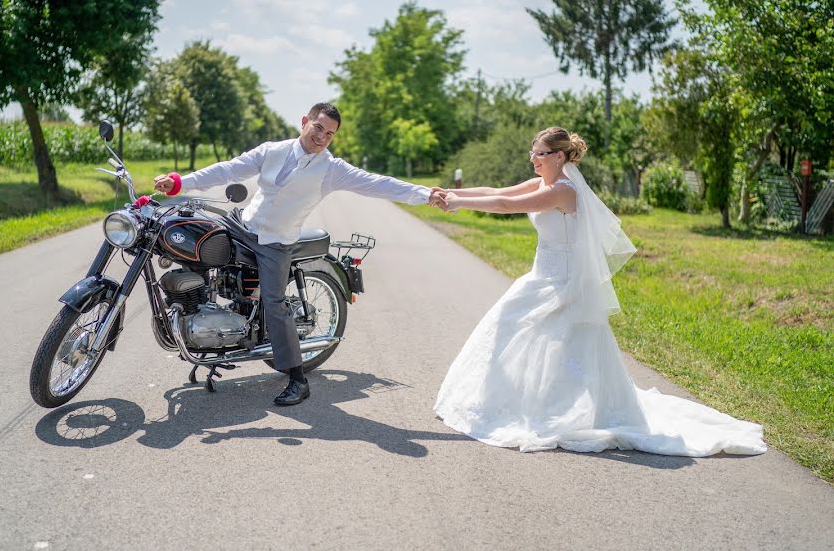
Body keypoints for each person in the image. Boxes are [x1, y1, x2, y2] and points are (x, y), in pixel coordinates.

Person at [432, 127, 766, 456]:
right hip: (540, 276)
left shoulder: (563, 192)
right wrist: (449, 191)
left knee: (549, 341)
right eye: (532, 153)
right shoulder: (543, 182)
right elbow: (495, 191)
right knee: (511, 330)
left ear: (559, 156)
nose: (533, 159)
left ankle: (563, 411)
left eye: (539, 154)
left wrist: (457, 202)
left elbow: (507, 205)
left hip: (562, 283)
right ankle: (522, 403)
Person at [155, 103, 445, 406]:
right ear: (304, 122)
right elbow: (229, 168)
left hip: (275, 242)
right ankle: (202, 327)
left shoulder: (331, 170)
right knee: (197, 244)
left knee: (275, 302)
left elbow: (377, 183)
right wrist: (180, 182)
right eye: (318, 127)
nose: (322, 137)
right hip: (243, 223)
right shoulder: (272, 150)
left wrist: (424, 194)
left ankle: (297, 379)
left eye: (330, 134)